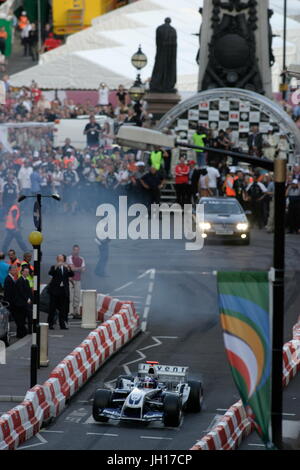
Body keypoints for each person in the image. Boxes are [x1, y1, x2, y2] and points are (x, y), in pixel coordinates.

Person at [150, 18, 177, 93]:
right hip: (170, 53)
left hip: (161, 50)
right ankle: (167, 84)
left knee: (159, 67)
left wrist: (159, 49)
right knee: (168, 68)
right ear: (170, 21)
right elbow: (175, 45)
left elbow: (157, 40)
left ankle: (157, 83)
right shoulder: (173, 30)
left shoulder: (159, 28)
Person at [47, 255, 74, 330]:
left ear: (64, 260)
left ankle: (63, 325)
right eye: (59, 260)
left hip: (63, 290)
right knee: (52, 308)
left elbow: (72, 274)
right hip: (55, 291)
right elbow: (51, 273)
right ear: (57, 260)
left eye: (62, 260)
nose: (60, 262)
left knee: (63, 309)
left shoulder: (66, 267)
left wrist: (68, 268)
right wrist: (56, 267)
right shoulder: (54, 267)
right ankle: (50, 324)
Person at [67, 245, 86, 318]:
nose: (76, 251)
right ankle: (70, 312)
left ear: (79, 250)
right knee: (70, 297)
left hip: (78, 280)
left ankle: (76, 312)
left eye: (77, 250)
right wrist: (79, 268)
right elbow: (72, 269)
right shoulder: (69, 258)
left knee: (77, 297)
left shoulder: (82, 258)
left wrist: (75, 268)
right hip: (71, 280)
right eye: (75, 250)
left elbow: (83, 269)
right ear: (73, 250)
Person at [14, 266, 33, 337]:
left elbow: (29, 291)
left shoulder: (26, 280)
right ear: (22, 272)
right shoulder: (20, 280)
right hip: (21, 303)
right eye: (25, 272)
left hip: (26, 303)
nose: (27, 273)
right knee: (21, 319)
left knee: (28, 317)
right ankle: (20, 334)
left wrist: (30, 298)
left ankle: (28, 331)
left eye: (27, 272)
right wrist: (27, 299)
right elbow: (21, 292)